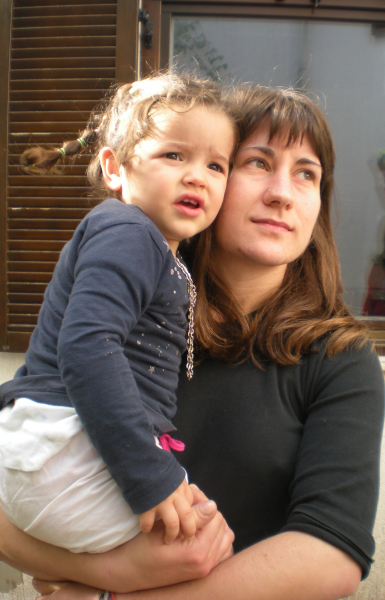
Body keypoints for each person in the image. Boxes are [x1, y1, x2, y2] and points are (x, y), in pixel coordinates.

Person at [0, 82, 385, 600]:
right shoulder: (133, 314)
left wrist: (107, 595)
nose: (282, 193)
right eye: (257, 163)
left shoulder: (340, 357)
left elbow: (331, 557)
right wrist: (114, 575)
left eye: (306, 174)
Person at [0, 72, 237, 553]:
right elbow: (87, 346)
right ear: (114, 168)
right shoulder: (129, 231)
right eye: (174, 155)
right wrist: (150, 474)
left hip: (62, 447)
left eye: (216, 165)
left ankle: (79, 584)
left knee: (198, 540)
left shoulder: (154, 247)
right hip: (68, 444)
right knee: (201, 548)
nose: (197, 175)